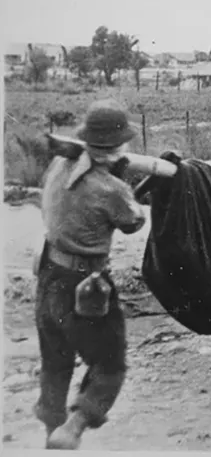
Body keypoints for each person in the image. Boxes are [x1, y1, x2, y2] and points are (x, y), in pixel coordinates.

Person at [34, 99, 146, 450]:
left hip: (48, 275)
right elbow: (133, 221)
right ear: (118, 145)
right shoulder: (111, 189)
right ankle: (75, 425)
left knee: (55, 361)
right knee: (110, 364)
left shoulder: (57, 164)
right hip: (86, 286)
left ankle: (51, 429)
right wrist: (120, 180)